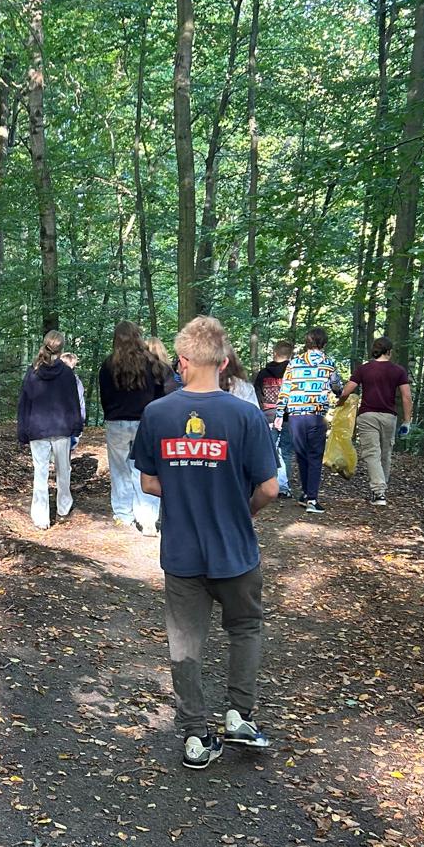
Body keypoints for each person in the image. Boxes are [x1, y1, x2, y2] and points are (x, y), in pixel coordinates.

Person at [132, 316, 278, 770]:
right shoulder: (246, 415)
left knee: (184, 641)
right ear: (225, 361)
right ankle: (240, 716)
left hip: (182, 551)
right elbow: (270, 489)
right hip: (236, 549)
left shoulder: (158, 414)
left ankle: (195, 735)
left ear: (182, 361)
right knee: (245, 628)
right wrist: (242, 510)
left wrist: (183, 489)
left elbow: (148, 482)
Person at [97, 322, 168, 534]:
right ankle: (148, 519)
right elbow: (160, 395)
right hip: (145, 422)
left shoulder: (108, 365)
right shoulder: (151, 362)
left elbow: (105, 396)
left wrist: (112, 413)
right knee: (145, 469)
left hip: (117, 422)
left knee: (120, 470)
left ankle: (123, 515)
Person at [17, 331, 86, 529]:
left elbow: (24, 404)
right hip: (61, 429)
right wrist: (76, 426)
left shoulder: (33, 372)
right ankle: (63, 508)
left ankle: (41, 517)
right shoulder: (67, 373)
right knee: (63, 470)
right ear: (61, 348)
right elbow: (73, 403)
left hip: (38, 429)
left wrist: (22, 431)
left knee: (40, 472)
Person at [341, 336, 413, 506]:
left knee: (372, 453)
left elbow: (347, 391)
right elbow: (406, 397)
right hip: (389, 417)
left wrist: (340, 404)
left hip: (367, 416)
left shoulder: (363, 369)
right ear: (389, 352)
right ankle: (380, 489)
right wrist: (407, 421)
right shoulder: (398, 370)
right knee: (385, 453)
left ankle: (379, 492)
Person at [279, 327, 342, 515]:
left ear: (307, 342)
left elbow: (285, 389)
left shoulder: (294, 363)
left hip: (295, 415)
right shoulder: (328, 363)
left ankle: (306, 494)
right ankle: (312, 500)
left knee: (301, 454)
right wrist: (340, 394)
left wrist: (279, 414)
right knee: (315, 456)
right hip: (316, 415)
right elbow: (336, 386)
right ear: (324, 343)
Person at [252, 341, 295, 499]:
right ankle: (283, 487)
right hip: (289, 417)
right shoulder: (294, 373)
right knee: (286, 451)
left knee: (269, 451)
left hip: (268, 415)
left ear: (274, 353)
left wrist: (260, 413)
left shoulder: (263, 374)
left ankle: (268, 484)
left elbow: (257, 395)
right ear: (290, 355)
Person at [62, 350, 86, 452]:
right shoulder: (76, 381)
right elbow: (81, 403)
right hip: (69, 421)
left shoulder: (76, 381)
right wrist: (81, 421)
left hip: (61, 422)